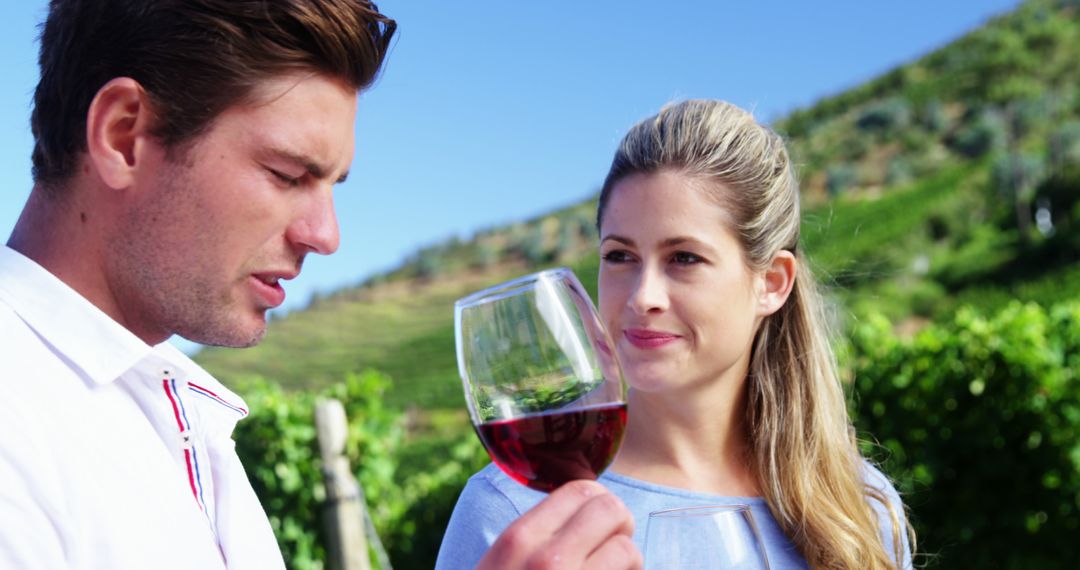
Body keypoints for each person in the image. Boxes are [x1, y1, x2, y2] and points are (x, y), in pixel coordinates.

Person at [0, 2, 640, 569]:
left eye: (332, 186)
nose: (327, 235)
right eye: (286, 174)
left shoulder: (181, 412)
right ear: (124, 136)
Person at [437, 99, 916, 569]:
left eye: (684, 258)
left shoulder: (858, 508)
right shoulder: (510, 513)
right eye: (619, 256)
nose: (643, 296)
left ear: (771, 283)